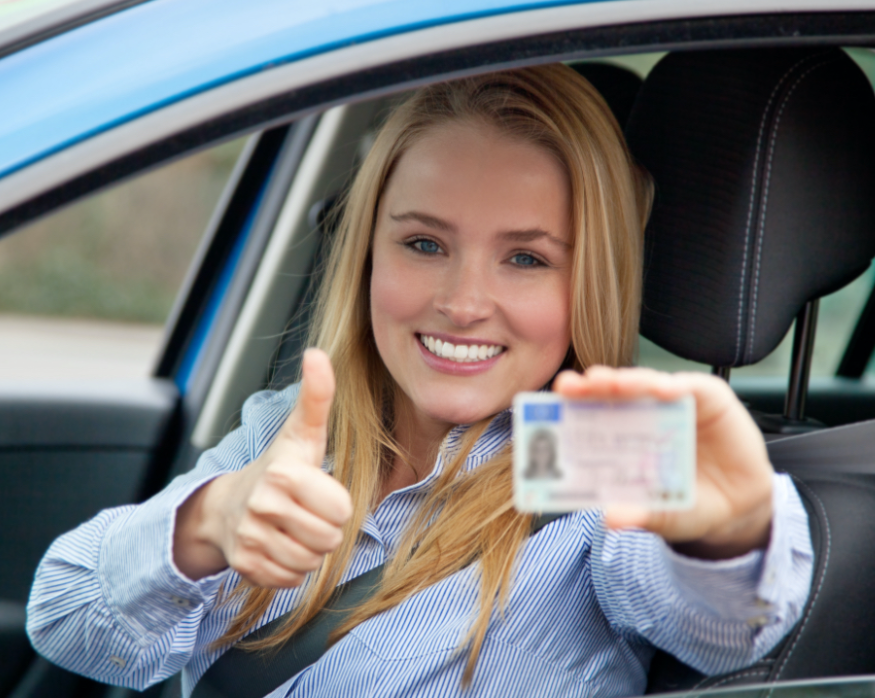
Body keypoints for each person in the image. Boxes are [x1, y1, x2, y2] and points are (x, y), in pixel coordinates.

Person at [27, 65, 813, 697]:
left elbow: (722, 623)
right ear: (369, 252)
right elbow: (66, 619)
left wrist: (731, 534)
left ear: (590, 285)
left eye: (526, 258)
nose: (463, 303)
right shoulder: (291, 433)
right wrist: (208, 524)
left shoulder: (593, 450)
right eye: (424, 244)